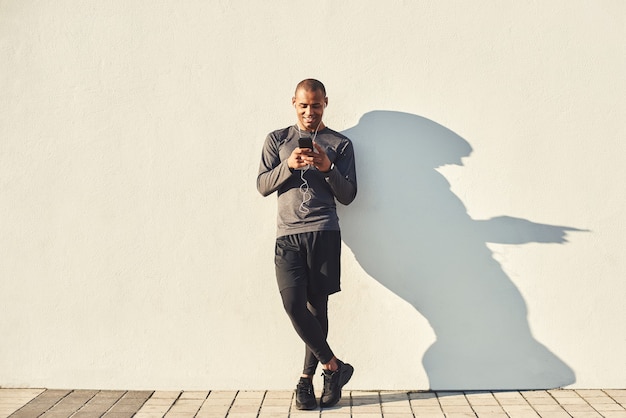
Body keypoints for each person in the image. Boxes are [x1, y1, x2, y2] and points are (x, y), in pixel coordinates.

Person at [256, 79, 357, 409]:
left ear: (325, 103)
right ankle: (334, 367)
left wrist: (327, 168)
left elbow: (348, 195)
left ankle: (306, 382)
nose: (309, 112)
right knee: (293, 305)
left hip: (324, 231)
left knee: (317, 309)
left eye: (316, 105)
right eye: (303, 106)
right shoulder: (277, 140)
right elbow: (262, 185)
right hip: (287, 236)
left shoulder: (340, 144)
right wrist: (289, 166)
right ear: (294, 104)